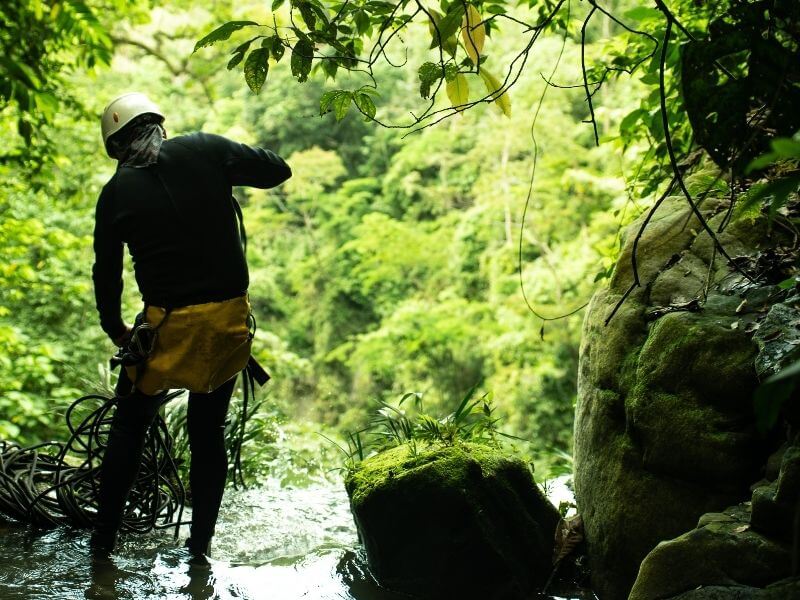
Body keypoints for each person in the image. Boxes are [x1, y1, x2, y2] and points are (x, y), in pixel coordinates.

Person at [89, 92, 291, 559]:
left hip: (164, 329)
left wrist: (116, 329)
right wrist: (224, 167)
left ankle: (102, 547)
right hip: (225, 324)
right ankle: (198, 551)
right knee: (207, 432)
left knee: (128, 429)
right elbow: (277, 169)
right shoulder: (203, 148)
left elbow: (107, 273)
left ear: (116, 147)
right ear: (159, 123)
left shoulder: (115, 193)